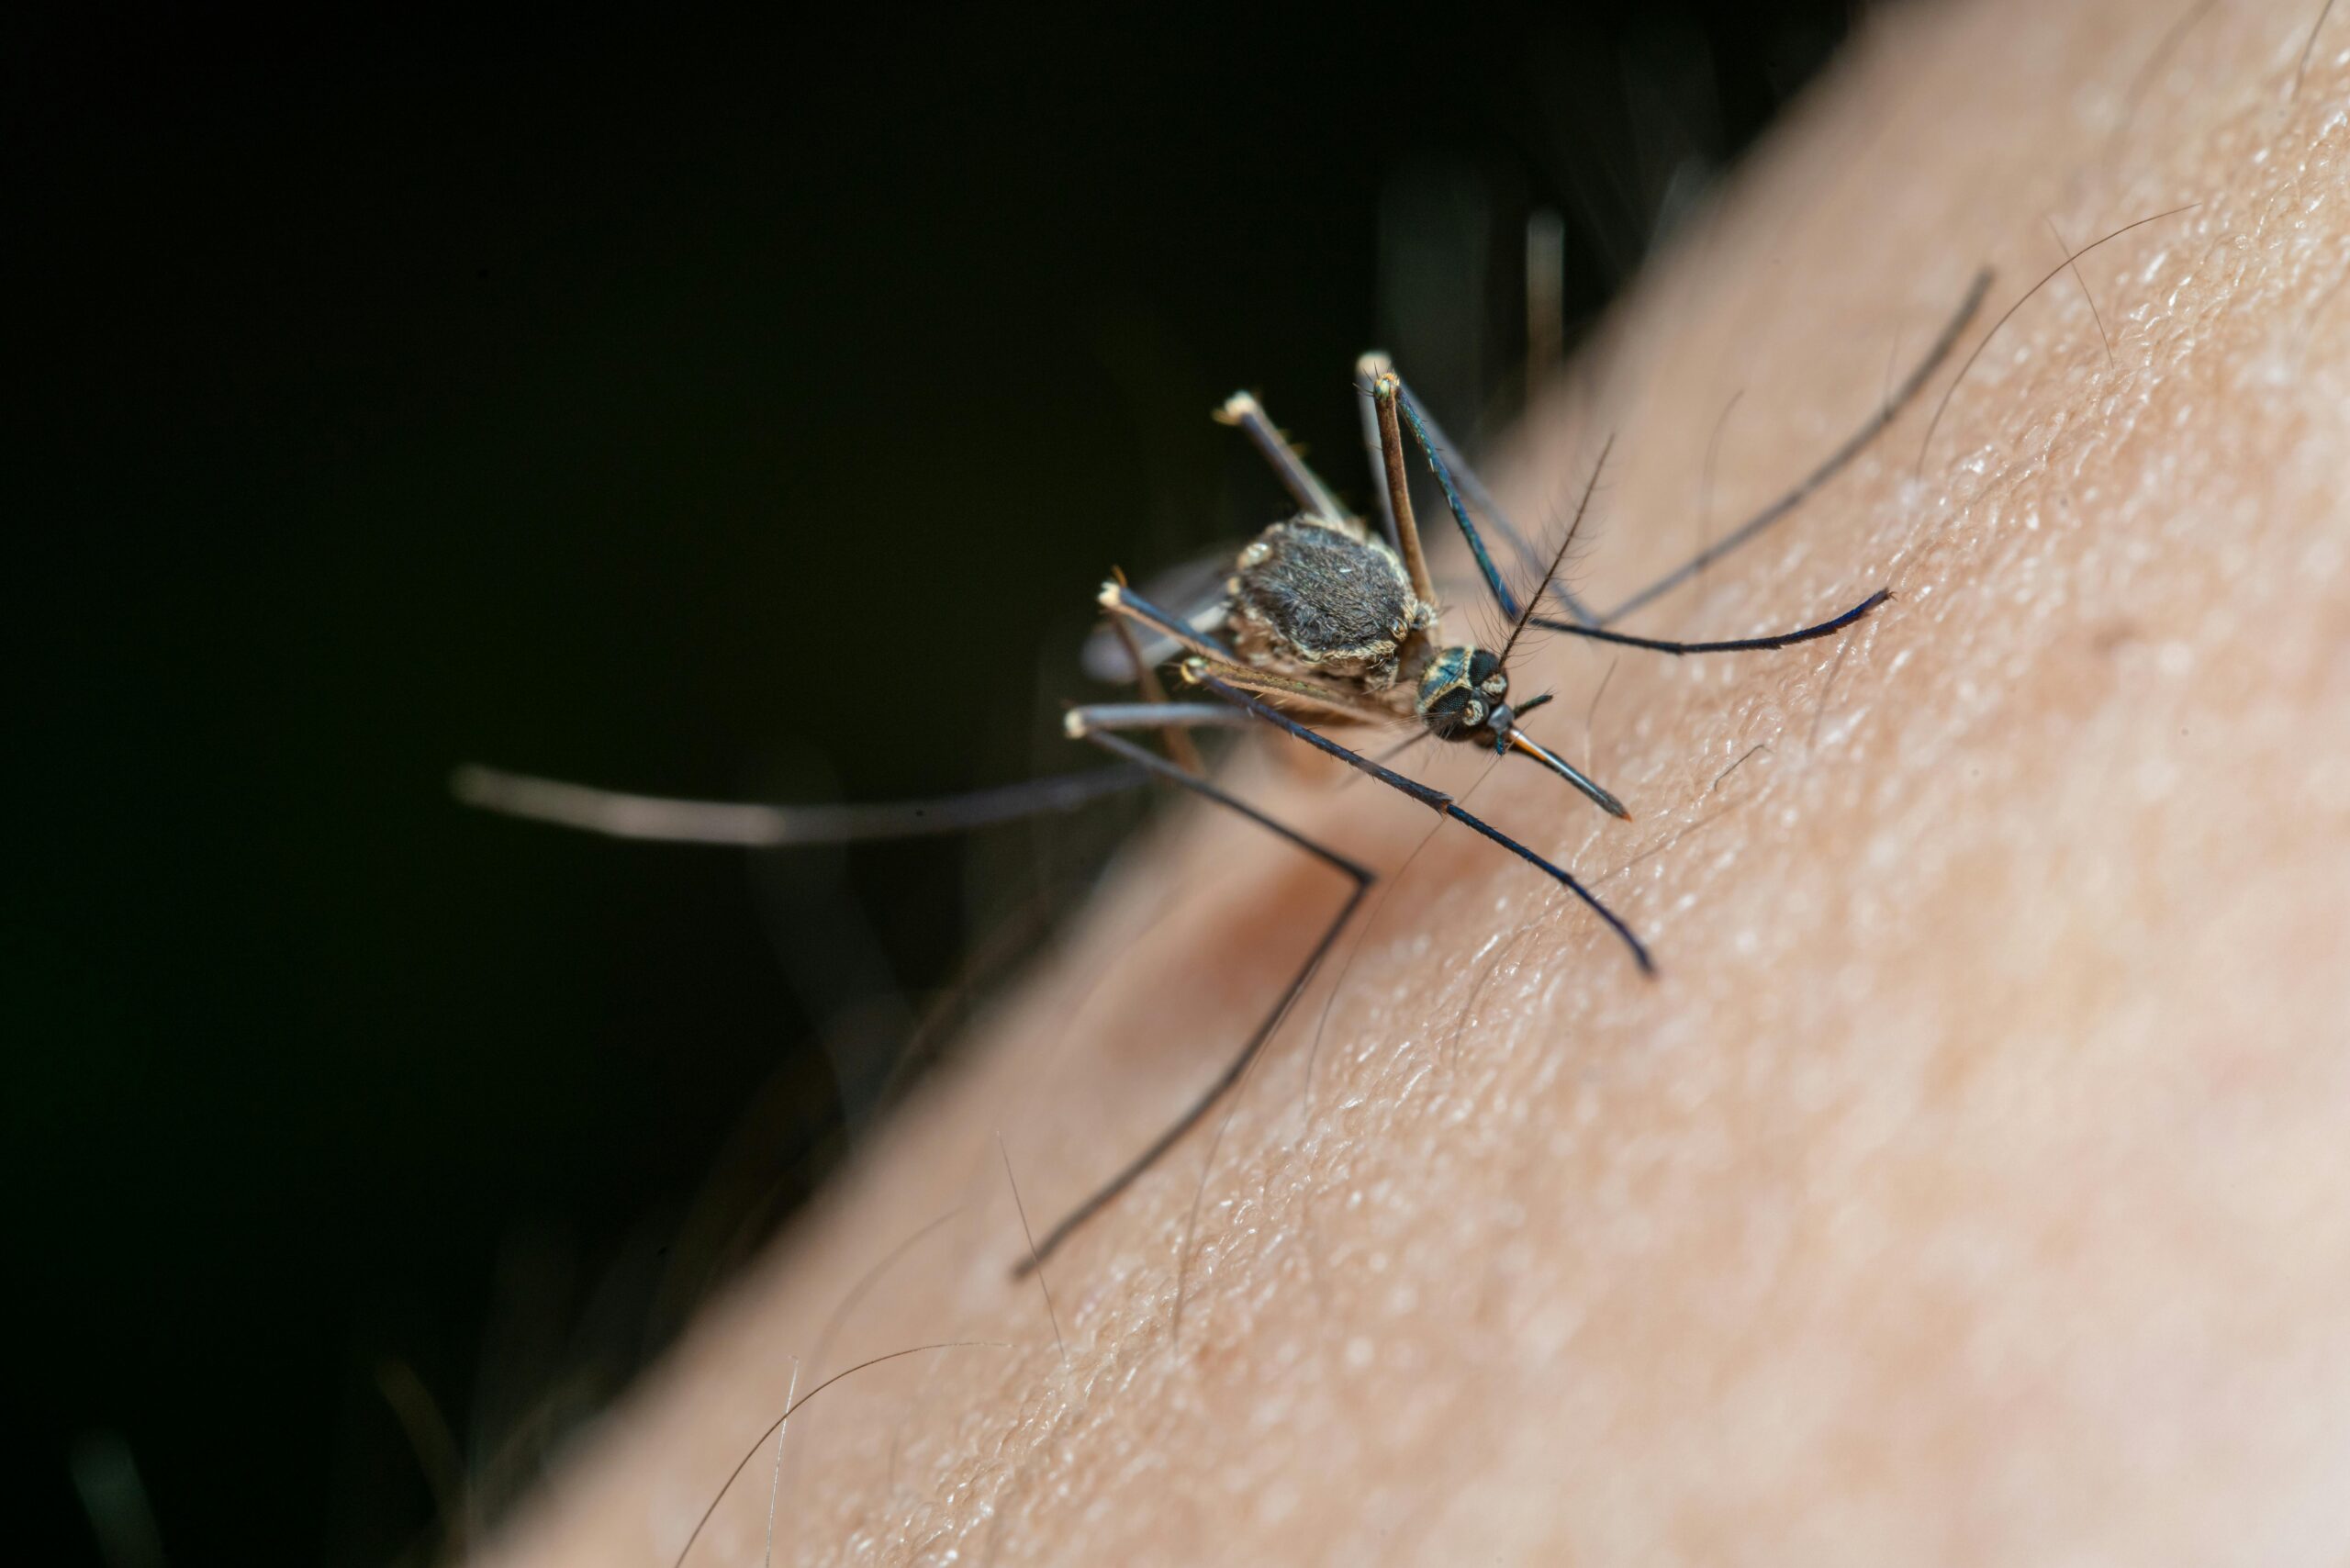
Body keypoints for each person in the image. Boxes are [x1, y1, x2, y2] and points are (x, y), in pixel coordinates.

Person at [478, 0, 2350, 1560]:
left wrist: (1601, 630)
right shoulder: (1340, 667)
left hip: (1351, 618)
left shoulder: (1434, 621)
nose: (1485, 706)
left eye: (1476, 690)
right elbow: (1218, 666)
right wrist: (1421, 786)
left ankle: (1612, 626)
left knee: (1393, 439)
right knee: (1150, 694)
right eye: (1468, 698)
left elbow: (1466, 606)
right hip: (1262, 660)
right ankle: (1313, 841)